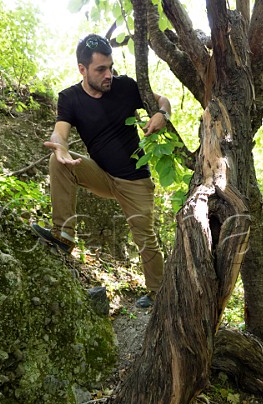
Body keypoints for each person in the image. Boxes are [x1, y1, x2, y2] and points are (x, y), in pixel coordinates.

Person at [31, 34, 171, 308]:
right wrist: (59, 147)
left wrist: (162, 113)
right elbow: (59, 134)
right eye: (100, 69)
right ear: (82, 69)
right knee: (57, 160)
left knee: (145, 236)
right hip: (101, 175)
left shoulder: (126, 87)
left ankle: (158, 293)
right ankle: (64, 235)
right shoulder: (69, 99)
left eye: (110, 67)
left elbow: (162, 99)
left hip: (135, 182)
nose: (109, 74)